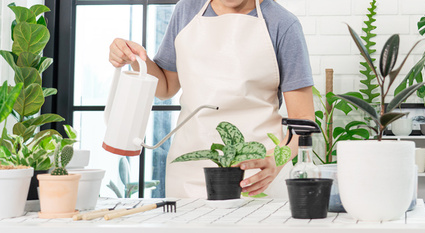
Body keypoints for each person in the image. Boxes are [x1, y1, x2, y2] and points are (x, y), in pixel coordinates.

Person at [108, 0, 314, 198]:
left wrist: (275, 162)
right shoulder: (186, 11)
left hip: (254, 177)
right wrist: (134, 58)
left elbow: (304, 120)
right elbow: (166, 88)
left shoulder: (282, 23)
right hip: (188, 172)